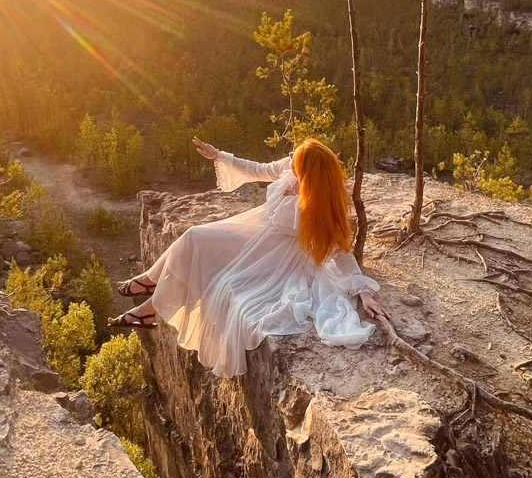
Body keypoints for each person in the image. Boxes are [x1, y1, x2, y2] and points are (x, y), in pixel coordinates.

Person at [108, 136, 388, 379]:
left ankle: (148, 309)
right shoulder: (290, 169)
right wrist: (218, 155)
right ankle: (147, 282)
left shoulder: (318, 207)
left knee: (217, 276)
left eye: (298, 165)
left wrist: (364, 293)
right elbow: (259, 169)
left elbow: (341, 253)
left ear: (309, 176)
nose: (292, 163)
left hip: (275, 259)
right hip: (254, 230)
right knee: (194, 236)